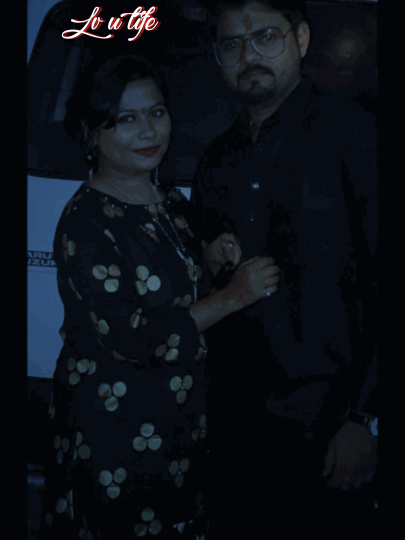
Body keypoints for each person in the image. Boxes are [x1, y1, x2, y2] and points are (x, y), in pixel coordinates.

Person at [36, 53, 280, 540]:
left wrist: (208, 258)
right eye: (126, 119)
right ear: (91, 132)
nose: (148, 131)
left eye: (156, 112)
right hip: (117, 430)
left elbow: (173, 284)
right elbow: (135, 339)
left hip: (179, 422)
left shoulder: (165, 197)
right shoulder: (86, 223)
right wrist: (234, 296)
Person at [192, 1, 378, 536]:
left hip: (328, 429)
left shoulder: (357, 136)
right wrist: (208, 260)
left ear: (300, 39)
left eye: (266, 37)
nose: (249, 55)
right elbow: (207, 284)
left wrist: (367, 421)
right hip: (233, 429)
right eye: (232, 44)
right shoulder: (215, 160)